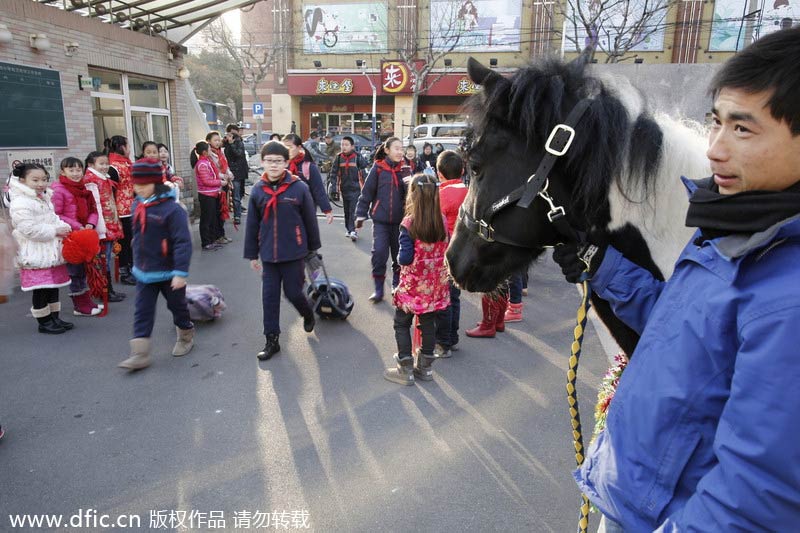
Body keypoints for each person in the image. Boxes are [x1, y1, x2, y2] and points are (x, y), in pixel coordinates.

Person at [552, 28, 800, 532]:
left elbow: (753, 497)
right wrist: (604, 267)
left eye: (743, 130)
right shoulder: (737, 228)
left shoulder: (789, 296)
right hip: (636, 500)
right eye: (716, 123)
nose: (715, 149)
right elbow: (681, 330)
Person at [244, 141, 320, 361]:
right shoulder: (258, 190)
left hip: (294, 252)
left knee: (294, 293)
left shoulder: (299, 188)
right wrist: (252, 255)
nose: (274, 165)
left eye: (278, 161)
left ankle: (307, 313)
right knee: (269, 297)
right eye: (269, 161)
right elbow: (252, 224)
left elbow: (309, 220)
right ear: (262, 162)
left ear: (286, 162)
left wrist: (312, 248)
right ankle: (272, 340)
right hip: (268, 255)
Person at [118, 158, 193, 371]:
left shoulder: (172, 210)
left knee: (177, 307)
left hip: (169, 273)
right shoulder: (137, 204)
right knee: (142, 310)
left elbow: (183, 242)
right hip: (144, 271)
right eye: (136, 184)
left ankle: (186, 334)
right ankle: (140, 353)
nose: (138, 188)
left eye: (143, 184)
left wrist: (180, 272)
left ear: (157, 183)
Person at [384, 173, 450, 385]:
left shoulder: (409, 223)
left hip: (413, 286)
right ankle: (425, 369)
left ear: (413, 195)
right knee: (427, 324)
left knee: (401, 323)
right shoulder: (442, 220)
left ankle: (405, 369)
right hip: (435, 285)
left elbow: (404, 258)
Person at [8, 163, 73, 334]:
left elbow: (53, 219)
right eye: (35, 180)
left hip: (50, 249)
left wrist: (64, 227)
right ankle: (44, 321)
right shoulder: (20, 202)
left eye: (44, 179)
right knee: (41, 288)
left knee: (53, 286)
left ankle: (54, 317)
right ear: (22, 180)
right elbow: (28, 229)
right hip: (35, 251)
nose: (41, 183)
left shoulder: (43, 197)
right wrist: (55, 231)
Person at [355, 137, 412, 302]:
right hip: (380, 221)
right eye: (396, 148)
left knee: (399, 256)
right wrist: (360, 215)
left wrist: (409, 181)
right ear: (387, 150)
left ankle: (397, 285)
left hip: (401, 223)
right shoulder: (378, 169)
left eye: (402, 149)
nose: (400, 152)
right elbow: (366, 194)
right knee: (379, 254)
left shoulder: (406, 170)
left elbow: (413, 197)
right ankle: (378, 289)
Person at [51, 157, 102, 317]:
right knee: (75, 272)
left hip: (85, 235)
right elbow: (56, 215)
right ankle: (79, 305)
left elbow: (94, 210)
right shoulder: (58, 189)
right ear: (63, 172)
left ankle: (86, 301)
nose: (75, 173)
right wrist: (78, 226)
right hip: (70, 236)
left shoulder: (86, 188)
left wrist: (90, 224)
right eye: (71, 170)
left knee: (84, 270)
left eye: (78, 170)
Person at [433, 150, 468, 357]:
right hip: (464, 252)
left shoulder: (440, 196)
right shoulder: (471, 192)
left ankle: (443, 343)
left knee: (442, 300)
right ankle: (452, 338)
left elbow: (437, 228)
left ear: (439, 173)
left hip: (445, 253)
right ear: (462, 170)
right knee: (454, 297)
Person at [84, 151, 126, 303]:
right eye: (101, 164)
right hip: (101, 226)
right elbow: (95, 207)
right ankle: (104, 291)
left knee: (106, 258)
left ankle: (108, 290)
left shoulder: (102, 179)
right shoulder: (91, 181)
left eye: (106, 163)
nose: (104, 167)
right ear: (91, 165)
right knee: (103, 259)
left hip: (109, 223)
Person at [282, 133, 334, 224]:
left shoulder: (309, 166)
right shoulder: (281, 166)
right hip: (285, 209)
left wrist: (327, 210)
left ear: (299, 147)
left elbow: (318, 189)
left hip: (306, 209)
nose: (287, 150)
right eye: (284, 147)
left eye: (290, 147)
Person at [105, 135, 135, 286]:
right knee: (124, 243)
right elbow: (110, 191)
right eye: (128, 145)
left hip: (130, 208)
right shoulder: (114, 167)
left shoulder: (126, 164)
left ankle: (131, 268)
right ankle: (125, 271)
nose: (129, 149)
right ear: (122, 147)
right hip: (121, 212)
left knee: (130, 242)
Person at [329, 136, 367, 241]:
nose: (343, 147)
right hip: (344, 189)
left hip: (356, 189)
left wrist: (367, 191)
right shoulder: (338, 157)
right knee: (346, 211)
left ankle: (353, 230)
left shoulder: (357, 157)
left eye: (346, 145)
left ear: (352, 146)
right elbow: (334, 174)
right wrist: (334, 189)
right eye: (342, 145)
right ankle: (349, 229)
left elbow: (364, 170)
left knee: (353, 210)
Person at [191, 141, 223, 251]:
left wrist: (221, 178)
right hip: (206, 195)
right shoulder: (202, 164)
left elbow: (214, 175)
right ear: (204, 152)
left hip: (212, 194)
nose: (211, 151)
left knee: (212, 218)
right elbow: (206, 181)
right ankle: (206, 242)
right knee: (206, 219)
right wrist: (220, 182)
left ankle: (212, 240)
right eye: (209, 149)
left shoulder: (207, 161)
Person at [206, 131, 233, 244]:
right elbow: (213, 171)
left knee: (222, 211)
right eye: (215, 140)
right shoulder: (208, 154)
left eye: (219, 140)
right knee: (217, 212)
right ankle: (217, 236)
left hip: (224, 184)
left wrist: (229, 174)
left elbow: (225, 165)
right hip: (216, 186)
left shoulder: (221, 152)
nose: (218, 142)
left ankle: (221, 235)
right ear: (209, 141)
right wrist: (223, 176)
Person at [224, 124, 249, 225]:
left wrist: (232, 144)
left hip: (241, 171)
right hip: (233, 172)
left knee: (240, 193)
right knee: (236, 195)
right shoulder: (225, 142)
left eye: (235, 131)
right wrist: (228, 143)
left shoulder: (239, 141)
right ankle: (237, 216)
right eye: (231, 132)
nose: (233, 134)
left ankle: (238, 210)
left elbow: (239, 154)